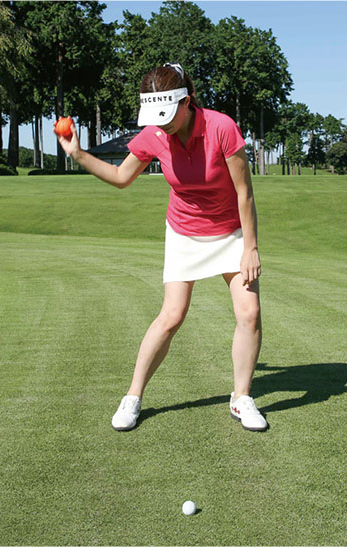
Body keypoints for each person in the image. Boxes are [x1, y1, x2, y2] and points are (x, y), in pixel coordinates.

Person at [55, 63, 268, 432]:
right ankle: (133, 396)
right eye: (157, 118)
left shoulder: (221, 127)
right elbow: (121, 177)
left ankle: (241, 397)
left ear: (187, 102)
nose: (163, 124)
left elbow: (244, 193)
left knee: (249, 313)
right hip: (184, 232)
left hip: (230, 232)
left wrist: (250, 247)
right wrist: (78, 154)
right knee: (171, 315)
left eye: (169, 115)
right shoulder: (154, 134)